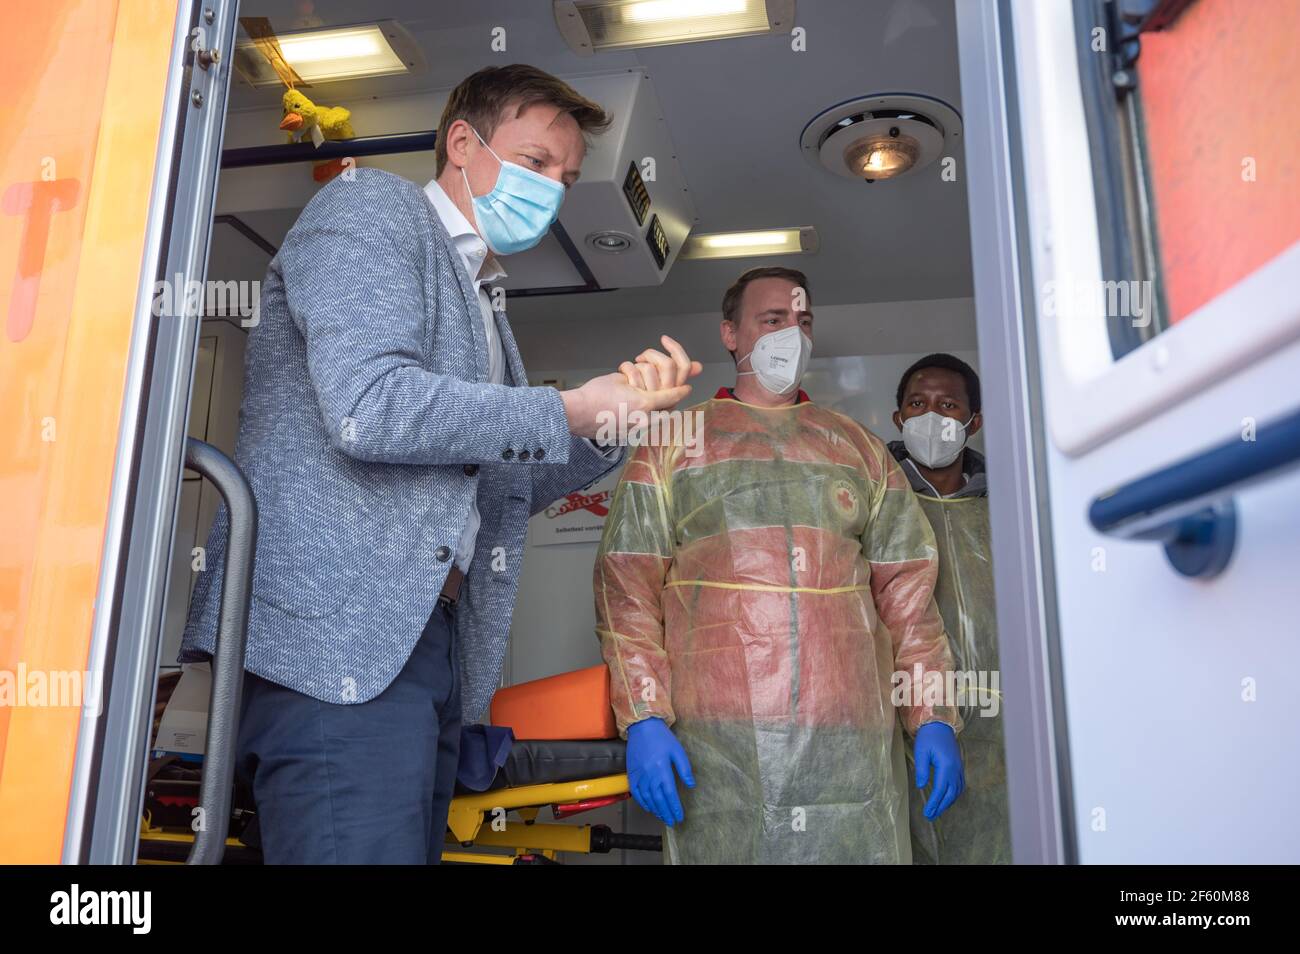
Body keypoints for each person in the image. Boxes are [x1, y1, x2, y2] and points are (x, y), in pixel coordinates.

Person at [180, 64, 700, 864]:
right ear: (463, 143)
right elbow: (370, 405)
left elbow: (497, 484)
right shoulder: (371, 207)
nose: (554, 190)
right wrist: (572, 407)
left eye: (565, 176)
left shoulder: (485, 299)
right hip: (340, 640)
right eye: (535, 163)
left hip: (430, 644)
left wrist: (608, 424)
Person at [594, 266, 964, 864]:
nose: (792, 333)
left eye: (803, 320)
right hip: (720, 745)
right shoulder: (673, 443)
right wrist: (643, 716)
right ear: (730, 334)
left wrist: (933, 715)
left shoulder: (858, 448)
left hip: (852, 741)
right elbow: (626, 588)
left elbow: (908, 598)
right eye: (772, 320)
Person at [890, 353, 1012, 864]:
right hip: (897, 721)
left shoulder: (1012, 505)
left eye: (947, 405)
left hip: (1002, 726)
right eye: (917, 404)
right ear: (898, 418)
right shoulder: (876, 500)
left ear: (973, 422)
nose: (931, 416)